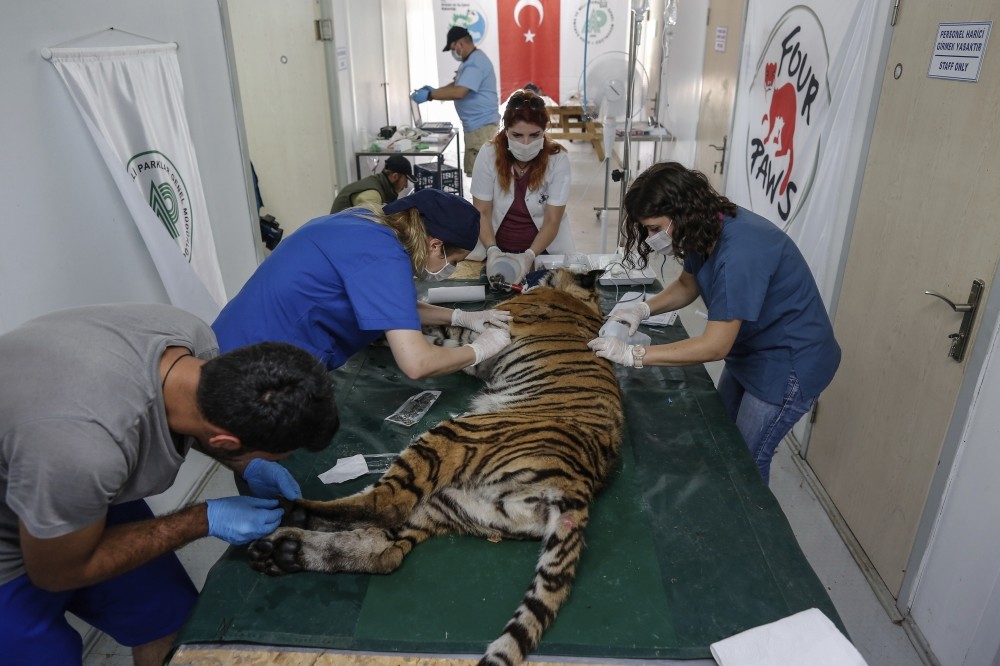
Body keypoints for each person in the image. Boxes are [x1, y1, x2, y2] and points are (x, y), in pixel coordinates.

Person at [0, 303, 340, 665]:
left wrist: (250, 465)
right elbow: (56, 571)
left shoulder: (190, 340)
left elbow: (199, 424)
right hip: (28, 530)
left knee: (172, 625)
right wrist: (204, 519)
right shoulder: (86, 451)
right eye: (276, 457)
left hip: (63, 479)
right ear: (225, 441)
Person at [588, 162, 841, 484]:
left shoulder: (742, 251)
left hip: (789, 361)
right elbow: (687, 284)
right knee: (723, 438)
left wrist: (633, 356)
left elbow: (715, 345)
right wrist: (641, 309)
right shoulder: (706, 226)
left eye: (654, 228)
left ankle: (751, 530)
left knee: (747, 462)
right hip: (751, 349)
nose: (651, 238)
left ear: (681, 213)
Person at [212, 188, 512, 378]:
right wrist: (479, 351)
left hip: (231, 343)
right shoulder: (385, 256)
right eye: (455, 260)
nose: (453, 268)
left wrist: (461, 317)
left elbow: (391, 306)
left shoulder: (366, 223)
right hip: (250, 368)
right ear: (435, 245)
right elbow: (417, 363)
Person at [471, 88, 575, 285]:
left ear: (545, 130)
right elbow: (482, 211)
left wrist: (529, 256)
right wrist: (492, 251)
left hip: (543, 252)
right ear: (506, 129)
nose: (526, 144)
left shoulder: (558, 160)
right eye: (517, 135)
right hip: (494, 248)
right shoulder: (488, 154)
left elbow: (553, 220)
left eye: (535, 135)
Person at [411, 25, 500, 176]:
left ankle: (481, 201)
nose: (455, 52)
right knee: (480, 176)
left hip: (481, 127)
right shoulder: (469, 62)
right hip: (478, 127)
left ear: (461, 43)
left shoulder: (475, 62)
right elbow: (457, 84)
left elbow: (460, 92)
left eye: (454, 48)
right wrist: (435, 91)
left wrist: (429, 96)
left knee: (482, 178)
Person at [330, 154, 416, 214]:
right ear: (395, 176)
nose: (406, 185)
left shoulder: (380, 187)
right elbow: (370, 227)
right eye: (405, 180)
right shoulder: (372, 194)